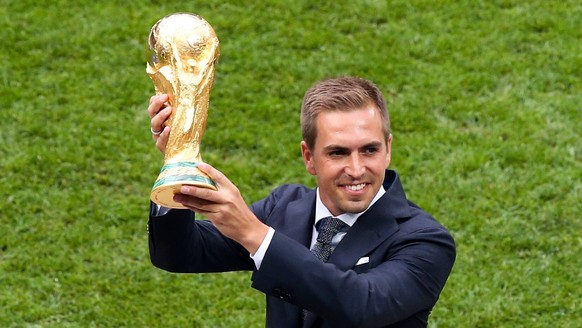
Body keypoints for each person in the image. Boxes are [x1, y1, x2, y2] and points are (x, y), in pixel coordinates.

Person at [147, 76, 456, 328]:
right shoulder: (285, 208)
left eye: (369, 150)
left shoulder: (426, 240)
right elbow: (178, 254)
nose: (357, 169)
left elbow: (364, 304)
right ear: (309, 157)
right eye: (338, 153)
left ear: (387, 149)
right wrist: (180, 161)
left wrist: (255, 235)